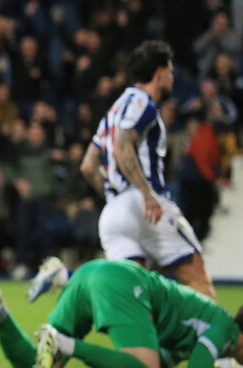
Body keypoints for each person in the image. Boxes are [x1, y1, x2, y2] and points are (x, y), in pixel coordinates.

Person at [0, 260, 242, 368]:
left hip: (90, 274)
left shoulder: (201, 329)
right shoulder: (224, 326)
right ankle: (63, 343)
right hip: (123, 282)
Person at [73, 40, 214, 299]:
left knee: (135, 299)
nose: (172, 77)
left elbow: (88, 165)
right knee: (197, 279)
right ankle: (218, 329)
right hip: (145, 205)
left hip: (114, 212)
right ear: (159, 73)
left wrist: (116, 198)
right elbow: (122, 147)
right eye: (170, 71)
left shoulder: (113, 111)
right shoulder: (143, 103)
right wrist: (145, 195)